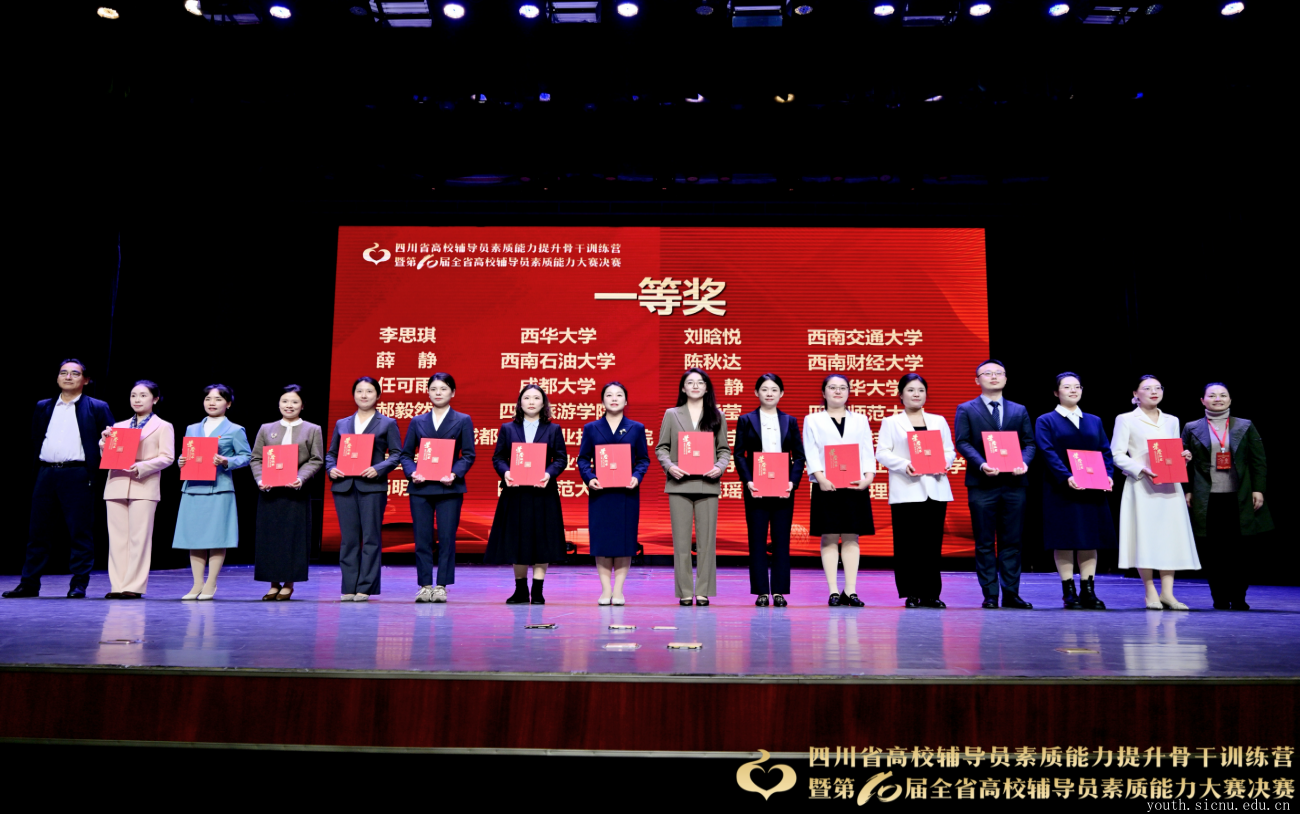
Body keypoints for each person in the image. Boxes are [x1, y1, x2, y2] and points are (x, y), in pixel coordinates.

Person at [6, 359, 115, 599]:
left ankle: (78, 584)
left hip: (78, 474)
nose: (68, 377)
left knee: (80, 532)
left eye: (74, 373)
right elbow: (36, 439)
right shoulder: (43, 406)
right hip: (46, 473)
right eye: (63, 373)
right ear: (57, 378)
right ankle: (29, 583)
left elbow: (112, 442)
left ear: (86, 380)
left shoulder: (97, 407)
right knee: (37, 533)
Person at [954, 359, 1037, 610]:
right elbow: (963, 442)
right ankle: (990, 594)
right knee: (984, 542)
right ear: (977, 380)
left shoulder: (1019, 409)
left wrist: (1024, 462)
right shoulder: (966, 409)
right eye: (987, 373)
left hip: (1014, 483)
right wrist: (981, 464)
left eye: (998, 373)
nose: (993, 377)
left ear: (1006, 378)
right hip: (982, 483)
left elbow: (1029, 443)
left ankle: (1011, 593)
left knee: (1012, 541)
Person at [1111, 374, 1200, 610]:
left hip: (1170, 485)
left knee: (1169, 536)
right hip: (1142, 485)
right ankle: (1150, 591)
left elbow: (1171, 451)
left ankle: (1168, 593)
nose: (1154, 392)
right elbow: (1117, 454)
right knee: (1146, 537)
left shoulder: (1171, 420)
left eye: (1158, 388)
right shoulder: (1126, 419)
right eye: (1147, 388)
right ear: (1135, 394)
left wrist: (1184, 457)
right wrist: (1140, 469)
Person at [1183, 382, 1272, 610]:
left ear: (1230, 400)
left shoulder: (1245, 425)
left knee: (1241, 551)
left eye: (1223, 395)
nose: (1218, 399)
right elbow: (1184, 463)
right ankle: (1220, 597)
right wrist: (1188, 489)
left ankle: (1239, 597)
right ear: (1202, 400)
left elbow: (1258, 460)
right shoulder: (1191, 427)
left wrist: (1258, 489)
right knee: (1213, 551)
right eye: (1212, 395)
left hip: (1239, 496)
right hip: (1207, 497)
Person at [1033, 372, 1116, 610]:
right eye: (1067, 387)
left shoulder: (1094, 420)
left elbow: (1105, 450)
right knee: (1065, 539)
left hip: (1092, 486)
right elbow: (1047, 451)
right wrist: (1066, 476)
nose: (1073, 390)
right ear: (1056, 392)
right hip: (1061, 488)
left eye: (1077, 386)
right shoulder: (1046, 420)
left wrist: (1108, 475)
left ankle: (1088, 591)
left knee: (1090, 539)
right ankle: (1068, 591)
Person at [875, 373, 955, 609]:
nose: (916, 394)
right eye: (910, 390)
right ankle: (911, 592)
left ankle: (931, 594)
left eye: (920, 390)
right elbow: (882, 452)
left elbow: (949, 450)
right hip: (906, 489)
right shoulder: (891, 422)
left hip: (935, 489)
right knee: (907, 544)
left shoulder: (938, 420)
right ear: (901, 395)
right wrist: (904, 465)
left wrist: (944, 463)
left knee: (932, 544)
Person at [486, 384, 569, 605]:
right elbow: (498, 457)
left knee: (542, 540)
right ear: (520, 403)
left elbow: (561, 459)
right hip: (516, 491)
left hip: (543, 491)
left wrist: (548, 474)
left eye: (536, 398)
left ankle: (538, 590)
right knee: (517, 539)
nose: (531, 402)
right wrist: (506, 472)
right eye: (527, 398)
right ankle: (521, 590)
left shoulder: (553, 429)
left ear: (543, 403)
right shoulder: (508, 428)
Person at [656, 368, 731, 606]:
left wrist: (719, 467)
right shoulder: (672, 414)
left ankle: (704, 591)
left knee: (707, 542)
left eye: (700, 382)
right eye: (690, 382)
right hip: (679, 484)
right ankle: (685, 591)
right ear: (683, 388)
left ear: (707, 388)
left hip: (708, 484)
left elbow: (724, 450)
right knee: (681, 542)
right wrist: (670, 467)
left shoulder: (717, 415)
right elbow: (662, 448)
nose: (695, 386)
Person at [400, 372, 475, 603]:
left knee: (447, 538)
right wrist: (412, 472)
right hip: (421, 488)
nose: (438, 393)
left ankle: (441, 585)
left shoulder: (462, 419)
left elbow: (468, 455)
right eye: (433, 389)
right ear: (428, 392)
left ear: (452, 392)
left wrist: (455, 473)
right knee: (422, 538)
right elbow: (406, 454)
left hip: (449, 488)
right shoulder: (418, 421)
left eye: (443, 389)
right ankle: (424, 585)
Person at [326, 376, 403, 601]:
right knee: (349, 539)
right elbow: (331, 454)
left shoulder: (387, 423)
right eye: (359, 391)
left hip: (372, 487)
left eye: (369, 391)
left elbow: (396, 454)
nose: (364, 395)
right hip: (344, 486)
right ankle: (349, 586)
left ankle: (365, 586)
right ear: (353, 395)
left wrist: (378, 469)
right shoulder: (342, 423)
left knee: (371, 537)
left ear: (378, 395)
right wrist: (331, 469)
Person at [802, 374, 876, 607]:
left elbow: (867, 449)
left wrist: (869, 477)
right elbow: (810, 451)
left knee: (852, 536)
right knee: (830, 536)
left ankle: (850, 591)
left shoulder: (860, 419)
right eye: (832, 387)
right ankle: (833, 591)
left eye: (843, 387)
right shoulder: (813, 419)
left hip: (855, 484)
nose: (837, 391)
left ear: (848, 392)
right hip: (827, 485)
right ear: (823, 392)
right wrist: (820, 478)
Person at [172, 384, 252, 600]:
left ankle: (211, 583)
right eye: (208, 398)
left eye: (218, 399)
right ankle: (197, 584)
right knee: (194, 537)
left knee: (217, 537)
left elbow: (246, 456)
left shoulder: (235, 429)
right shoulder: (192, 428)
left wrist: (227, 461)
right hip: (193, 487)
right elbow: (187, 454)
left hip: (219, 488)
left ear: (228, 403)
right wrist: (181, 461)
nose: (212, 403)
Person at [733, 373, 805, 608]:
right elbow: (739, 454)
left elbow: (799, 456)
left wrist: (792, 482)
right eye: (764, 389)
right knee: (757, 540)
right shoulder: (746, 419)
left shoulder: (790, 421)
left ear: (781, 393)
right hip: (756, 488)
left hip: (784, 488)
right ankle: (762, 591)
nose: (769, 393)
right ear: (757, 392)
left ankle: (780, 591)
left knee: (781, 540)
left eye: (774, 389)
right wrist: (748, 481)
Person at [575, 381, 650, 606]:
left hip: (627, 493)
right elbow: (582, 459)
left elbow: (643, 459)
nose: (614, 399)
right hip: (601, 492)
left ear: (626, 401)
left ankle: (618, 590)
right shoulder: (591, 428)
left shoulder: (636, 427)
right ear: (602, 401)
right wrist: (590, 477)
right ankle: (605, 589)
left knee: (624, 541)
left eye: (619, 395)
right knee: (603, 541)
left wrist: (637, 476)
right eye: (609, 395)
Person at [100, 380, 175, 599]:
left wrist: (142, 466)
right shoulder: (119, 426)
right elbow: (109, 454)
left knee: (139, 538)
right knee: (117, 539)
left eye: (143, 395)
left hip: (144, 484)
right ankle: (117, 585)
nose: (137, 400)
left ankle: (133, 586)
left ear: (155, 399)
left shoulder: (163, 426)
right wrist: (104, 442)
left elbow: (167, 457)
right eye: (133, 395)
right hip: (116, 483)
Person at [250, 385, 324, 601]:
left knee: (293, 538)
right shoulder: (266, 428)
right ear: (279, 404)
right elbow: (256, 458)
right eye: (284, 401)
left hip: (296, 492)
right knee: (271, 538)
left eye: (294, 402)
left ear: (302, 405)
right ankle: (273, 584)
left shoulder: (312, 429)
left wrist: (301, 478)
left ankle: (289, 584)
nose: (289, 405)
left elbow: (316, 459)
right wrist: (260, 479)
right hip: (270, 492)